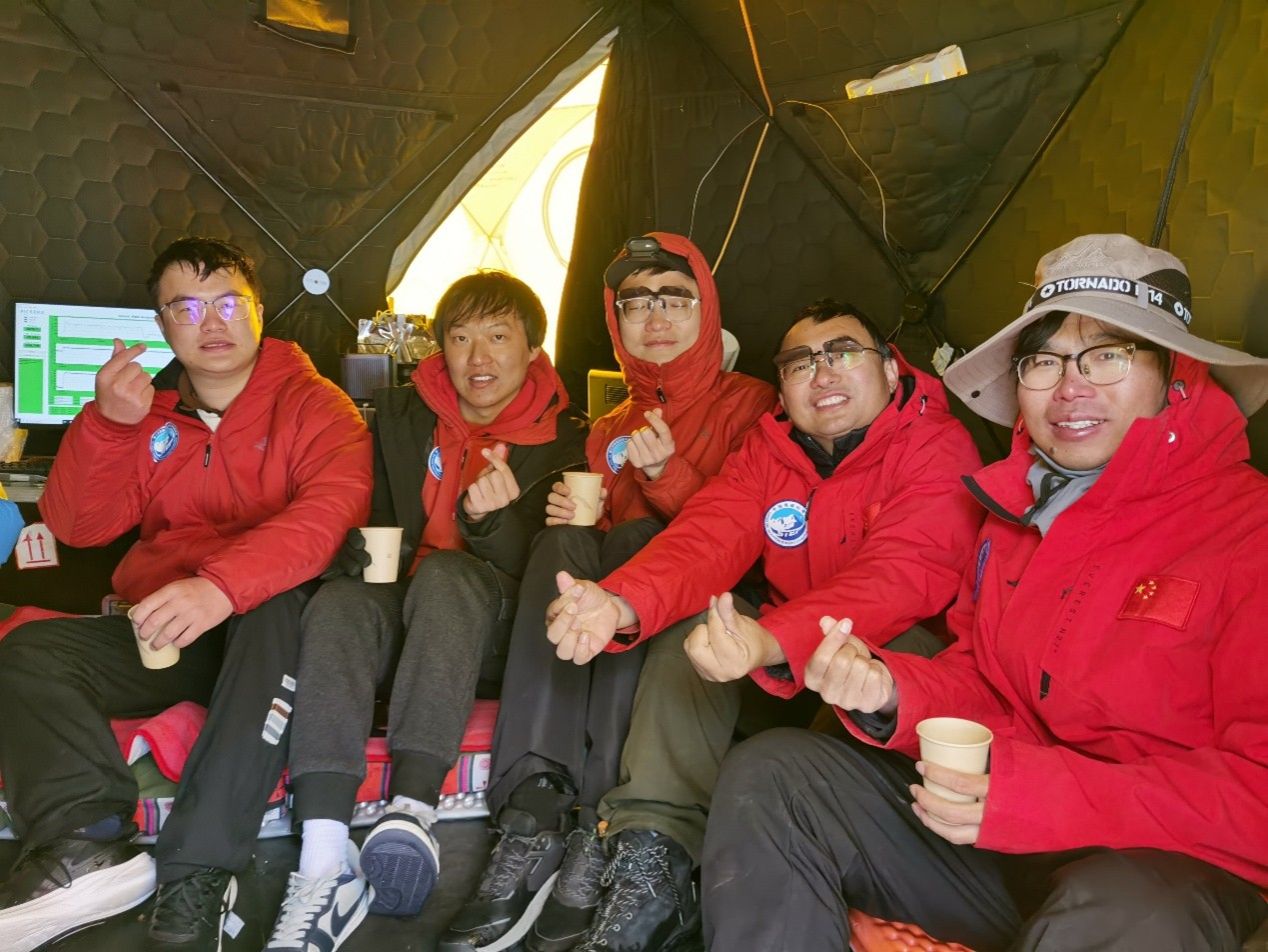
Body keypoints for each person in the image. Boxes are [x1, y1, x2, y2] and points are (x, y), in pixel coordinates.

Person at [702, 234, 1268, 951]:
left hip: (1161, 868)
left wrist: (1034, 796)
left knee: (1130, 913)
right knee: (775, 774)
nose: (1070, 387)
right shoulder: (1017, 517)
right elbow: (984, 679)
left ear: (1175, 374)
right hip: (999, 838)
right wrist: (891, 692)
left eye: (1108, 355)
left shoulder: (1248, 531)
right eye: (1044, 361)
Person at [534, 298, 984, 951]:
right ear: (783, 387)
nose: (821, 374)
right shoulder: (771, 448)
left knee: (890, 651)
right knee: (698, 630)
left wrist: (771, 641)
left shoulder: (936, 444)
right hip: (782, 665)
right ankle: (655, 856)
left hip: (891, 693)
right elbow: (708, 535)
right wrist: (620, 601)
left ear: (890, 369)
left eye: (843, 353)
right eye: (800, 363)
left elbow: (900, 576)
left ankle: (825, 863)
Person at [0, 237, 372, 952]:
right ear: (162, 325)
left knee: (277, 609)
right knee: (30, 652)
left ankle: (198, 870)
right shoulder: (153, 413)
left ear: (258, 310)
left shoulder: (314, 404)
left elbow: (330, 514)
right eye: (187, 307)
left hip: (269, 630)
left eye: (229, 302)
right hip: (170, 630)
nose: (212, 322)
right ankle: (83, 842)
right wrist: (107, 424)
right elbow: (79, 525)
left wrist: (220, 588)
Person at [439, 232, 775, 951]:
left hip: (712, 613)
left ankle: (600, 819)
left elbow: (749, 538)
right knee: (564, 546)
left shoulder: (754, 406)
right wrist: (555, 520)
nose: (654, 315)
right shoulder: (610, 425)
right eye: (634, 301)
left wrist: (667, 479)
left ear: (706, 309)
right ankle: (534, 808)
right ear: (614, 319)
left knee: (633, 539)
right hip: (610, 615)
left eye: (673, 298)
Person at [266, 270, 588, 951]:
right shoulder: (402, 416)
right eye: (461, 338)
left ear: (533, 349)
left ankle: (411, 810)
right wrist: (348, 550)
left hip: (495, 626)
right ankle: (322, 858)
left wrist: (492, 523)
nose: (478, 357)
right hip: (402, 602)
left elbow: (552, 566)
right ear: (441, 347)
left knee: (447, 575)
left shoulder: (566, 439)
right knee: (341, 603)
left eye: (498, 337)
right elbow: (367, 510)